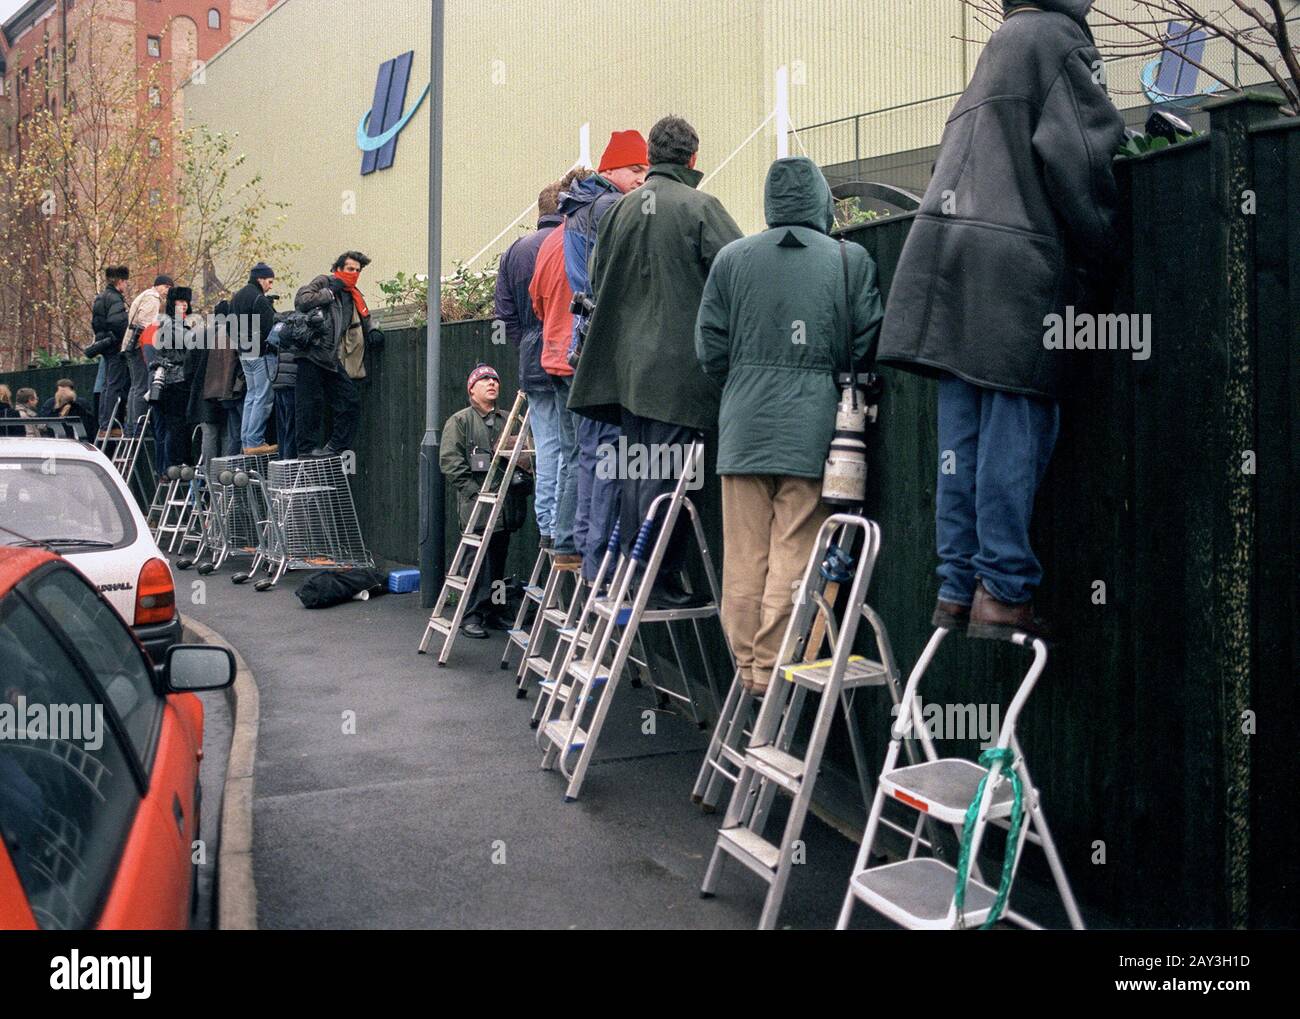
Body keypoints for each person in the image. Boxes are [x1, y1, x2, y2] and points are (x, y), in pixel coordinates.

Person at [875, 0, 1125, 641]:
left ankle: (957, 588)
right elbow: (1086, 160)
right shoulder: (1058, 40)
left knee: (964, 439)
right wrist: (1102, 257)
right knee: (1020, 422)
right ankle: (1005, 591)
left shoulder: (997, 48)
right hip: (1016, 268)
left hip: (949, 266)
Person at [696, 156, 883, 694]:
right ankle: (774, 670)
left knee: (744, 555)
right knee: (795, 553)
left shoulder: (731, 260)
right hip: (814, 429)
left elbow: (709, 348)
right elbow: (864, 340)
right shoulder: (849, 259)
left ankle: (746, 666)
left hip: (741, 428)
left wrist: (744, 382)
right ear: (822, 201)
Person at [568, 115, 742, 607]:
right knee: (670, 479)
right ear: (692, 158)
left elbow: (597, 284)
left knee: (637, 471)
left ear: (651, 155)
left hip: (624, 375)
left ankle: (633, 571)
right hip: (677, 373)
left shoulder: (619, 212)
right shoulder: (700, 206)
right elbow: (737, 273)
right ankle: (656, 579)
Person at [556, 131, 649, 579]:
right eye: (636, 169)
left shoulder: (577, 209)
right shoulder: (613, 208)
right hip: (608, 344)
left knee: (591, 452)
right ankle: (603, 570)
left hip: (583, 344)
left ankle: (586, 557)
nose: (642, 179)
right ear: (611, 169)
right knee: (610, 454)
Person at [495, 178, 564, 550]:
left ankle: (548, 525)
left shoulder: (514, 251)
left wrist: (528, 344)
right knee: (572, 445)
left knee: (547, 445)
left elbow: (504, 318)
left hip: (533, 359)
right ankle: (563, 526)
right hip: (565, 354)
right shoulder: (571, 242)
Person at [440, 365, 527, 639]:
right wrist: (474, 493)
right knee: (476, 563)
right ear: (471, 389)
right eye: (485, 380)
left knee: (499, 563)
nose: (492, 383)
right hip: (477, 507)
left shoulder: (511, 419)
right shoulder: (460, 421)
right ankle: (470, 616)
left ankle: (496, 611)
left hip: (506, 506)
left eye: (495, 380)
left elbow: (525, 453)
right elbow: (450, 462)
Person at [294, 251, 376, 458]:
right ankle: (306, 453)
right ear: (338, 269)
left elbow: (364, 317)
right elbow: (302, 300)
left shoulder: (353, 294)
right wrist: (329, 292)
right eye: (350, 269)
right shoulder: (324, 281)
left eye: (358, 270)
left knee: (350, 402)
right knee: (309, 406)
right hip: (312, 352)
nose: (354, 273)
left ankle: (334, 449)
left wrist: (375, 330)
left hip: (330, 358)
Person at [231, 262, 280, 455]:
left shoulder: (237, 297)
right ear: (260, 279)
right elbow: (271, 327)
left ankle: (247, 441)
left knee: (251, 396)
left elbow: (230, 326)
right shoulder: (259, 299)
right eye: (269, 281)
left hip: (244, 352)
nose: (270, 285)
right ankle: (255, 441)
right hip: (260, 354)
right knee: (263, 397)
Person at [151, 287, 196, 469]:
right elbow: (177, 352)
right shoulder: (171, 324)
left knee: (176, 425)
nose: (184, 304)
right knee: (177, 425)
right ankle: (176, 464)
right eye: (180, 301)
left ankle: (175, 464)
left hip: (175, 380)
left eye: (186, 301)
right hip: (175, 380)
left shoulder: (176, 323)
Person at [122, 275, 172, 435]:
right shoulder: (153, 298)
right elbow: (145, 324)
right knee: (141, 386)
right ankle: (138, 426)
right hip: (139, 345)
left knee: (135, 386)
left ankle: (131, 426)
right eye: (167, 288)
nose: (167, 293)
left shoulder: (145, 295)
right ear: (160, 286)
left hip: (130, 345)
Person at [90, 265, 130, 435]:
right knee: (114, 385)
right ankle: (110, 424)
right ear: (120, 281)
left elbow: (96, 324)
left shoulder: (100, 297)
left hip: (105, 345)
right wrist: (126, 333)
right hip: (115, 345)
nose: (126, 285)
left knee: (106, 385)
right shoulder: (115, 298)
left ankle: (103, 423)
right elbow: (117, 322)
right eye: (126, 282)